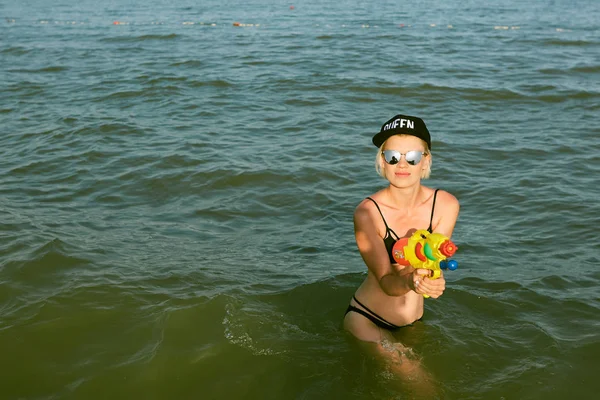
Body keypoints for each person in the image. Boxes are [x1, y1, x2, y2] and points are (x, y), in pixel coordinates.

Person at [343, 114, 460, 386]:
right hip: (367, 319)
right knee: (424, 386)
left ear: (426, 161)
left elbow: (432, 261)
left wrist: (432, 280)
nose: (403, 164)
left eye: (413, 156)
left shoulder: (445, 205)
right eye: (393, 156)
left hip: (414, 322)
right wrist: (412, 281)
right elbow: (386, 282)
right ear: (382, 161)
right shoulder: (368, 213)